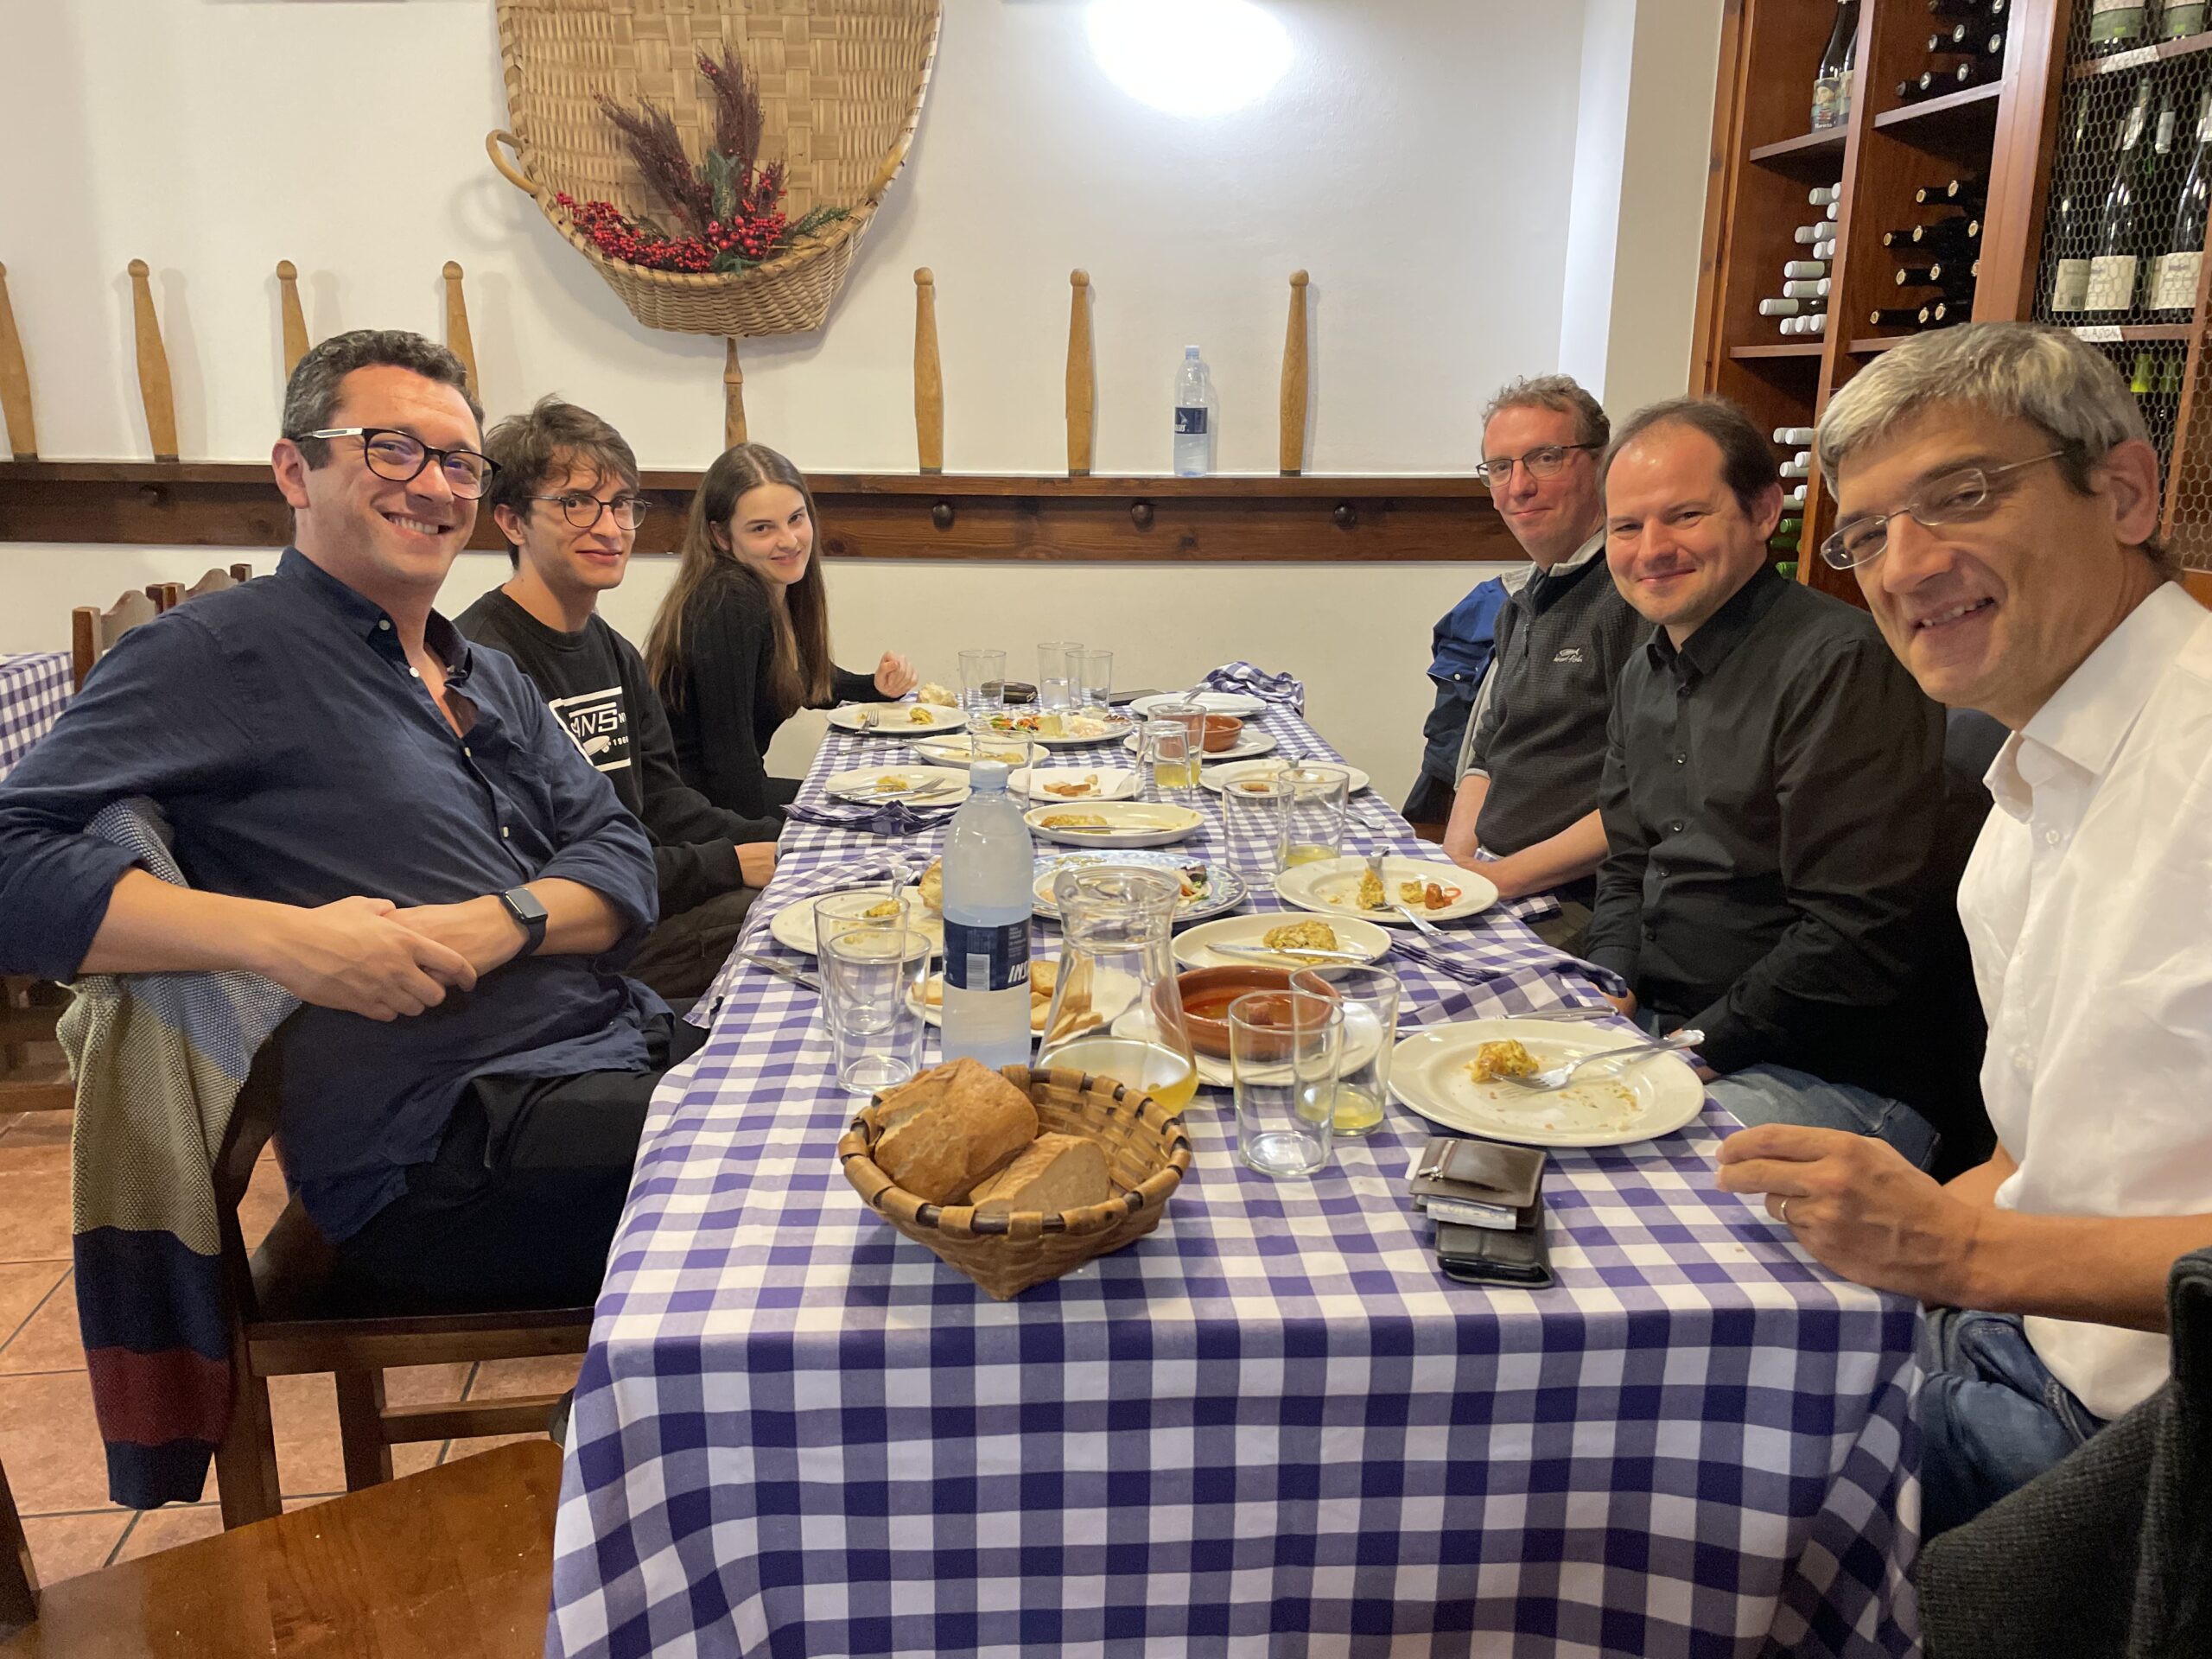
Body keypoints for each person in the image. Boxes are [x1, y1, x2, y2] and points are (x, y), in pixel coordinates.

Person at [0, 329, 699, 1312]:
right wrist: (283, 943)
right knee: (820, 1177)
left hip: (605, 1054)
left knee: (875, 1088)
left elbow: (624, 857)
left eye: (459, 463)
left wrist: (504, 922)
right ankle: (638, 1446)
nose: (435, 486)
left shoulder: (484, 672)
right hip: (443, 1152)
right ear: (295, 468)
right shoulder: (216, 655)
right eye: (391, 448)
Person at [1715, 323, 2212, 1537]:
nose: (1905, 566)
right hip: (2003, 1351)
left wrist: (1957, 1256)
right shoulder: (2022, 794)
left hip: (2146, 1464)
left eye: (1963, 495)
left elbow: (1983, 1233)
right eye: (1868, 532)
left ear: (2128, 490)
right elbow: (2039, 1160)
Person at [1586, 394, 1980, 1172]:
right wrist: (1608, 985)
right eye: (1628, 527)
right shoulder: (1645, 669)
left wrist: (1689, 1051)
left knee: (1618, 1188)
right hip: (1678, 1028)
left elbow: (1854, 936)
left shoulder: (1842, 664)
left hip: (1833, 1075)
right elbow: (1628, 864)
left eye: (1686, 516)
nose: (1651, 548)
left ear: (1765, 511)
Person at [456, 397, 778, 1002]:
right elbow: (535, 870)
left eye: (622, 505)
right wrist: (729, 864)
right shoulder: (479, 664)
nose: (609, 528)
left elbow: (662, 801)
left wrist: (781, 838)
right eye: (576, 503)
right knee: (795, 927)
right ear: (511, 521)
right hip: (571, 954)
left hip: (645, 900)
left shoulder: (612, 650)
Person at [1440, 375, 1643, 947]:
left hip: (1575, 900)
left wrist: (1497, 881)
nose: (1518, 486)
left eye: (1545, 459)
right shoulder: (1527, 598)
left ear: (1602, 467)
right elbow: (1487, 753)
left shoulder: (1631, 595)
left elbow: (1643, 797)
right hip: (1494, 872)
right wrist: (1456, 861)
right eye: (1499, 467)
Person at [645, 443, 916, 818]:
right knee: (884, 812)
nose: (789, 540)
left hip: (719, 801)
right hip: (694, 818)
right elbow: (730, 773)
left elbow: (797, 678)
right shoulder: (730, 600)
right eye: (762, 528)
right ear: (721, 537)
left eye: (796, 518)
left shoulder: (767, 586)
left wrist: (874, 687)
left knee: (890, 800)